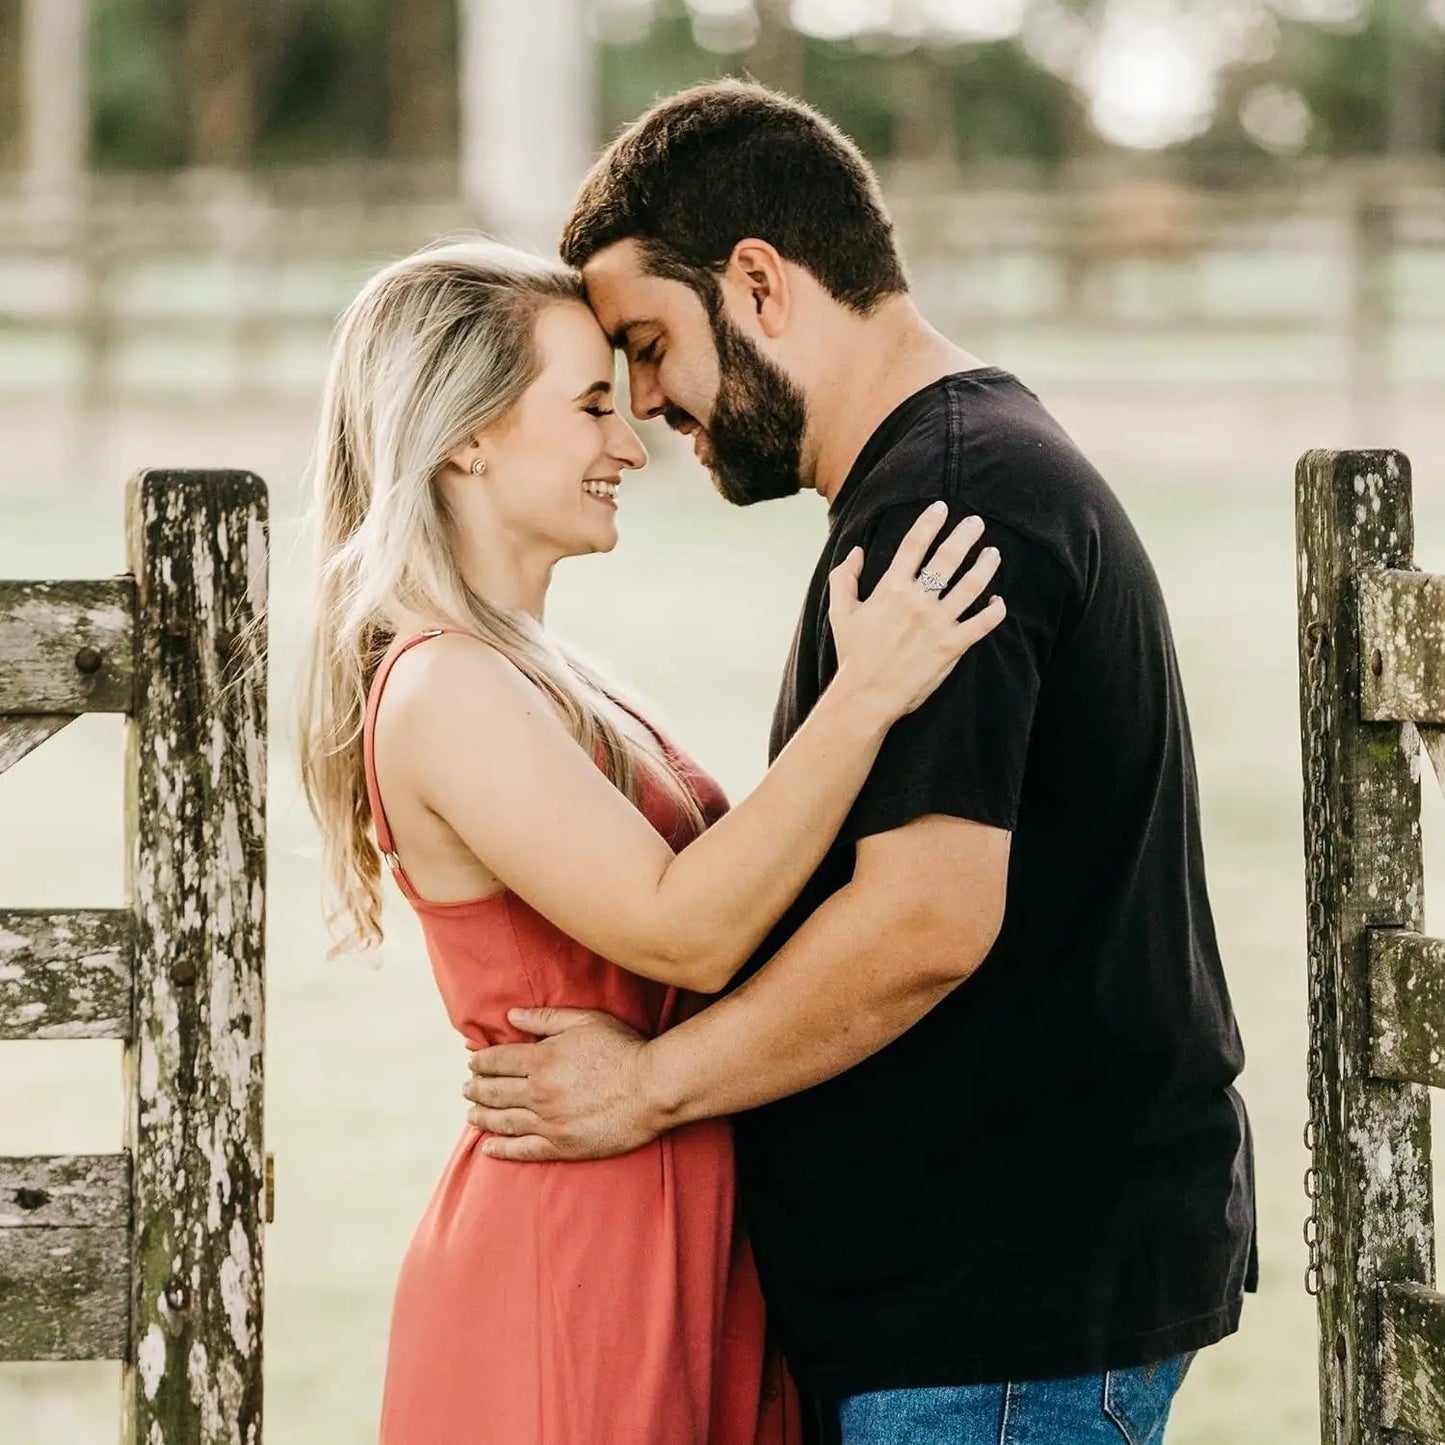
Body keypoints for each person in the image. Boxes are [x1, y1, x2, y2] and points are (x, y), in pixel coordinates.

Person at [463, 81, 1258, 1445]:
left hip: (998, 1314)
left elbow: (923, 920)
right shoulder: (946, 471)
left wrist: (646, 1086)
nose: (646, 407)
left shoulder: (950, 502)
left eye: (650, 345)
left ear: (759, 283)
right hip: (984, 1298)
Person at [296, 236, 1006, 1444]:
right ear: (465, 435)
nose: (629, 445)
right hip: (576, 1255)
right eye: (587, 407)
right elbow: (691, 928)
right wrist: (865, 692)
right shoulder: (441, 690)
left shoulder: (542, 674)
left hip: (677, 1220)